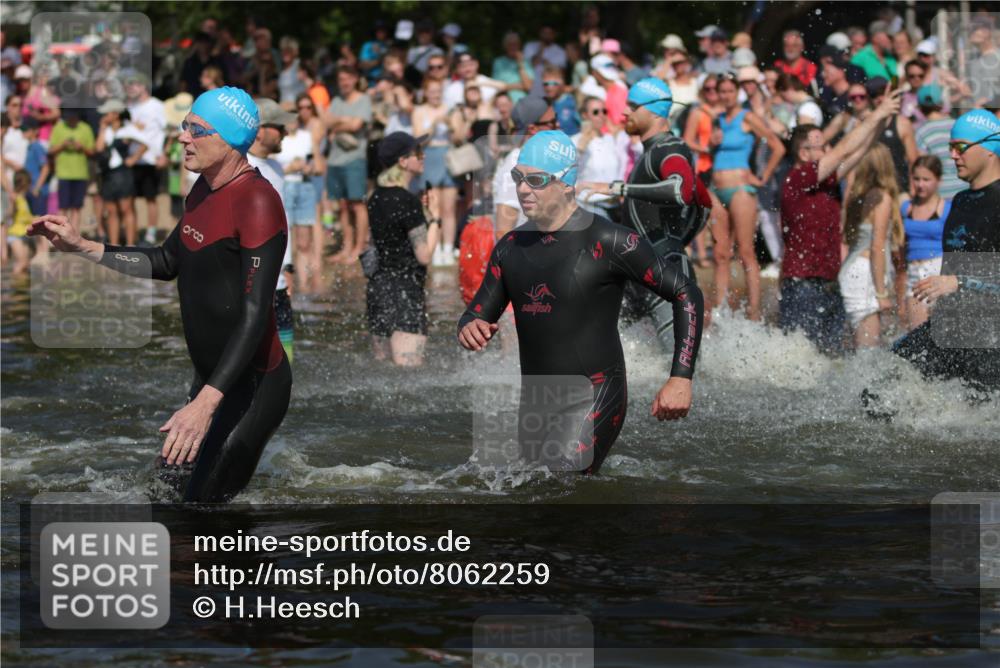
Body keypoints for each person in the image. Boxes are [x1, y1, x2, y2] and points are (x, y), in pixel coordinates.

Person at [29, 86, 292, 502]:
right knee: (162, 496)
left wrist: (205, 404)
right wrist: (83, 247)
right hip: (209, 382)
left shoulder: (257, 201)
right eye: (184, 126)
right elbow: (167, 261)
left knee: (199, 513)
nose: (183, 137)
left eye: (197, 130)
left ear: (228, 140)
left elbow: (255, 314)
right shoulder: (203, 188)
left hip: (252, 389)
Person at [457, 130, 704, 474]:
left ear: (567, 184)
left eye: (537, 180)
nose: (523, 189)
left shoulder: (610, 240)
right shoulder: (511, 248)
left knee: (561, 484)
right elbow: (477, 311)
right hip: (537, 401)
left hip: (595, 394)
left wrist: (680, 378)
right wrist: (470, 325)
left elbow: (685, 292)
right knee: (532, 494)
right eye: (518, 177)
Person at [779, 90, 901, 354]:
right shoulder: (797, 179)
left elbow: (860, 150)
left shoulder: (825, 180)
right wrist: (876, 113)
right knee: (800, 363)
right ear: (803, 153)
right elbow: (845, 148)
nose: (828, 150)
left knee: (830, 363)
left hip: (829, 284)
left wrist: (880, 122)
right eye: (822, 147)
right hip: (803, 286)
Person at [892, 109, 1000, 391]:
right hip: (950, 330)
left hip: (990, 341)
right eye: (951, 147)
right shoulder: (960, 201)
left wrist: (959, 282)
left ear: (990, 149)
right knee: (881, 388)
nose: (953, 155)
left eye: (960, 147)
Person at [711, 73, 785, 321]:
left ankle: (753, 310)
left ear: (737, 93)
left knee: (745, 251)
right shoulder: (718, 120)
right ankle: (720, 308)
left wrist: (762, 177)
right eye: (722, 91)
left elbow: (778, 145)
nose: (726, 96)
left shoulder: (747, 117)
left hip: (742, 189)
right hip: (717, 188)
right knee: (720, 253)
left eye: (730, 91)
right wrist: (711, 143)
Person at [367, 132, 440, 366]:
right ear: (403, 162)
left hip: (378, 291)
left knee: (382, 374)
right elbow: (424, 255)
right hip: (406, 291)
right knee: (408, 378)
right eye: (418, 153)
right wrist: (436, 220)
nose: (423, 156)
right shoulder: (408, 201)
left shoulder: (374, 197)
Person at [838, 144, 904, 348]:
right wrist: (882, 293)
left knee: (858, 350)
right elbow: (877, 247)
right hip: (866, 275)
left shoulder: (857, 195)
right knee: (868, 355)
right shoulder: (881, 198)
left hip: (853, 269)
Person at [247, 97, 297, 362]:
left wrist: (288, 267)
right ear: (259, 130)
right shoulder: (239, 166)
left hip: (277, 282)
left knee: (285, 359)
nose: (286, 133)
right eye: (280, 126)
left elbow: (282, 221)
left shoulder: (277, 168)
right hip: (250, 285)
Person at [325, 65, 372, 263]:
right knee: (342, 206)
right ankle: (347, 247)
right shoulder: (336, 100)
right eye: (341, 79)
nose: (344, 83)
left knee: (357, 205)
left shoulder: (364, 100)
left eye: (347, 78)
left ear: (355, 79)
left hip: (354, 159)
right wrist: (344, 121)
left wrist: (338, 123)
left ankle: (359, 248)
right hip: (334, 159)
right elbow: (326, 122)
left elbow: (356, 125)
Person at [412, 78, 458, 265]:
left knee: (449, 208)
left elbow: (458, 136)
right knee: (432, 207)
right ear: (425, 93)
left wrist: (450, 124)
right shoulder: (419, 111)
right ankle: (435, 248)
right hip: (429, 156)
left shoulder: (450, 109)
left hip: (448, 156)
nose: (436, 95)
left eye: (438, 91)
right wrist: (433, 125)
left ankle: (448, 248)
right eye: (432, 91)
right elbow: (418, 139)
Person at [902, 155, 950, 331]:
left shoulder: (948, 209)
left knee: (942, 333)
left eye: (926, 179)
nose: (920, 184)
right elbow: (900, 249)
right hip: (914, 273)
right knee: (917, 335)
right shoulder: (905, 208)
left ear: (938, 180)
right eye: (916, 179)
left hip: (938, 270)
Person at [94, 98, 143, 246]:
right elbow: (99, 148)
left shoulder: (128, 129)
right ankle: (114, 245)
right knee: (112, 211)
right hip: (108, 174)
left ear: (115, 114)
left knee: (126, 210)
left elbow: (146, 143)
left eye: (107, 113)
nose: (104, 116)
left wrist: (134, 158)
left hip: (123, 173)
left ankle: (130, 245)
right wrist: (102, 128)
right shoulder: (106, 130)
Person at [125, 72, 166, 244]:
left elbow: (167, 129)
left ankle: (151, 233)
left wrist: (163, 153)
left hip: (151, 158)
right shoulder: (129, 107)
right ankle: (132, 234)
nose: (131, 88)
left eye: (135, 84)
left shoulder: (156, 105)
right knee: (130, 199)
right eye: (129, 85)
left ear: (144, 87)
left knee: (151, 198)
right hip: (132, 158)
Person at [913, 84, 965, 200]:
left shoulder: (921, 132)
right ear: (941, 104)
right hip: (964, 188)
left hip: (940, 195)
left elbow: (923, 167)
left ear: (920, 107)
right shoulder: (957, 125)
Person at [48, 108, 95, 233]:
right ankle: (60, 234)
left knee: (77, 207)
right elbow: (51, 151)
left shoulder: (86, 128)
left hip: (80, 174)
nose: (70, 119)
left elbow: (92, 152)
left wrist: (82, 147)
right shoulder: (58, 128)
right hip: (63, 174)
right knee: (63, 207)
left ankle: (73, 235)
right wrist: (62, 145)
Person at [492, 32, 534, 104]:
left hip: (523, 103)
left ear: (519, 46)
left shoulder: (526, 62)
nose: (513, 47)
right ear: (505, 46)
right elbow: (497, 87)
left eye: (515, 44)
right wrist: (520, 85)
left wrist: (520, 64)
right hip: (504, 104)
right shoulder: (498, 62)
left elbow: (529, 86)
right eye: (510, 44)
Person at [7, 169, 33, 275]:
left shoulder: (23, 199)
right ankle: (15, 288)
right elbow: (9, 214)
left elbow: (26, 217)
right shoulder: (15, 198)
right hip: (15, 235)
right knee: (22, 263)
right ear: (25, 183)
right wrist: (12, 205)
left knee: (25, 264)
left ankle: (20, 289)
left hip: (24, 235)